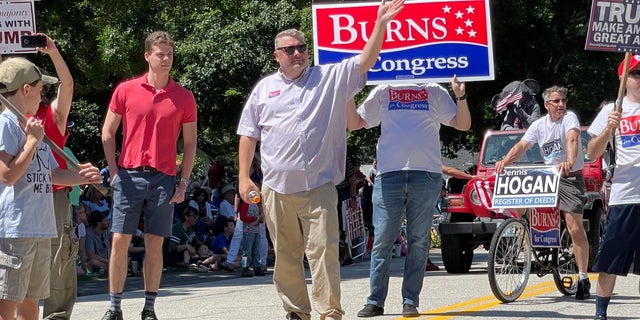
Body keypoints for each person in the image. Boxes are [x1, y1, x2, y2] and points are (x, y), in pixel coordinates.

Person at [236, 1, 405, 319]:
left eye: (301, 47)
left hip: (318, 187)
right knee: (286, 255)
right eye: (289, 50)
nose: (297, 53)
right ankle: (296, 312)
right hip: (276, 188)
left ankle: (329, 312)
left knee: (324, 252)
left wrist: (380, 24)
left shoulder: (329, 77)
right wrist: (244, 178)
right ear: (277, 56)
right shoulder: (264, 89)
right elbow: (248, 134)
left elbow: (366, 59)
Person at [346, 77, 470, 317]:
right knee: (382, 240)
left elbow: (463, 125)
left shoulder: (434, 90)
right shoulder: (383, 89)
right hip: (388, 176)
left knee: (419, 241)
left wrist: (461, 96)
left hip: (426, 175)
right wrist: (348, 94)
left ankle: (410, 301)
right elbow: (355, 123)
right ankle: (375, 301)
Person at [100, 31, 197, 320]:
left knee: (156, 243)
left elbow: (190, 143)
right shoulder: (127, 89)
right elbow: (108, 131)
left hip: (164, 177)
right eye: (160, 54)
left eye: (170, 54)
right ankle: (115, 307)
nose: (166, 59)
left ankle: (149, 308)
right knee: (119, 239)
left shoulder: (183, 97)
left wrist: (183, 181)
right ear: (148, 56)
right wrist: (114, 171)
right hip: (128, 175)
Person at [0, 57, 101, 320]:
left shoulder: (33, 126)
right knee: (7, 304)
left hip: (40, 228)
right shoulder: (6, 125)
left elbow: (51, 173)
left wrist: (82, 177)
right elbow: (8, 176)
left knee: (31, 301)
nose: (42, 95)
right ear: (25, 89)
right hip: (15, 230)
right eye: (40, 89)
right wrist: (32, 142)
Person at [495, 85, 591, 300]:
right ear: (546, 104)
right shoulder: (539, 125)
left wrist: (568, 160)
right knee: (519, 196)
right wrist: (505, 160)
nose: (561, 105)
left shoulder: (569, 118)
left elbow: (572, 139)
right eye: (556, 101)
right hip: (547, 176)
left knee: (574, 227)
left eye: (563, 101)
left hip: (568, 177)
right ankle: (520, 234)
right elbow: (522, 145)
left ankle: (583, 277)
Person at [21, 33, 80, 320]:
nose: (42, 89)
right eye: (39, 84)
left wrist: (53, 51)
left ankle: (56, 316)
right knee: (20, 257)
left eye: (44, 85)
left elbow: (67, 86)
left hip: (54, 193)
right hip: (18, 194)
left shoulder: (51, 116)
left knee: (59, 257)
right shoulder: (8, 115)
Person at [586, 55, 640, 320]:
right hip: (625, 195)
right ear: (623, 78)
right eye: (636, 73)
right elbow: (591, 152)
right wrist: (608, 130)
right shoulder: (611, 110)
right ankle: (601, 313)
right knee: (610, 260)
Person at [238, 199, 264, 277]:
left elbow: (259, 217)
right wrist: (254, 219)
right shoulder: (245, 204)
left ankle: (257, 267)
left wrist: (260, 219)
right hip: (248, 231)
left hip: (256, 231)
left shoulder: (256, 205)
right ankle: (245, 268)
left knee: (256, 251)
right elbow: (243, 217)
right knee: (247, 252)